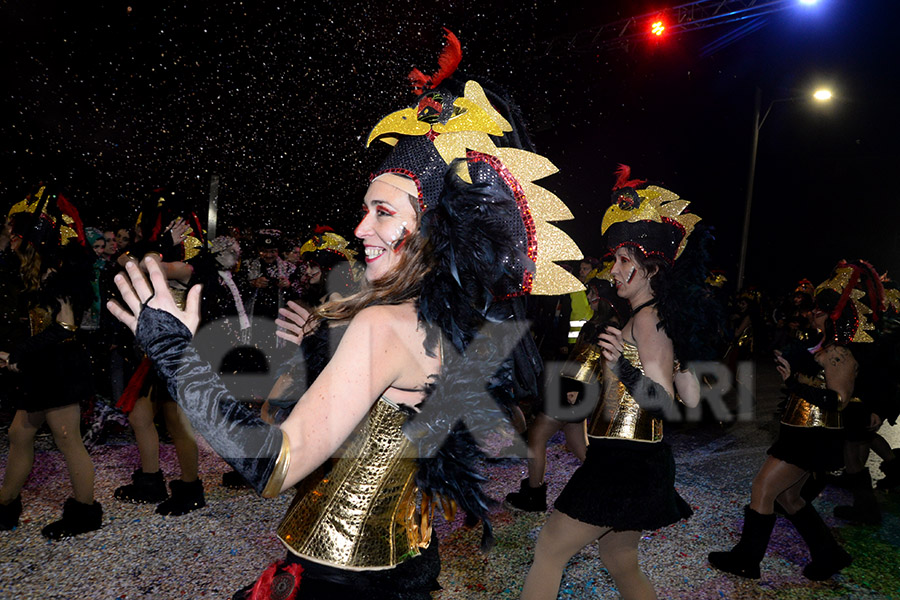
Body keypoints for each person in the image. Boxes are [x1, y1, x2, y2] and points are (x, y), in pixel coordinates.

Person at [108, 30, 583, 599]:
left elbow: (276, 467)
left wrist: (171, 349)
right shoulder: (449, 320)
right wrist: (321, 346)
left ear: (435, 230)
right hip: (403, 560)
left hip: (344, 578)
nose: (360, 229)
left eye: (383, 212)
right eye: (365, 209)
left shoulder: (385, 325)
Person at [521, 166, 718, 600]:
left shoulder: (648, 319)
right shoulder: (654, 318)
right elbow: (692, 396)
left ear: (650, 269)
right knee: (618, 559)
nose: (613, 269)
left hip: (624, 464)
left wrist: (620, 366)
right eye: (614, 259)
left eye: (623, 260)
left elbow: (667, 403)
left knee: (549, 552)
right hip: (635, 460)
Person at [707, 260, 883, 581]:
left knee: (763, 489)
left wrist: (794, 383)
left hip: (810, 439)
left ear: (834, 316)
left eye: (819, 309)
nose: (811, 312)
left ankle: (747, 559)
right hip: (798, 432)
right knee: (789, 497)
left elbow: (838, 400)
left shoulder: (838, 354)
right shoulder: (822, 347)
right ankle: (829, 554)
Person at [0, 185, 102, 538]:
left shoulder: (54, 273)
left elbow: (65, 327)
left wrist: (19, 353)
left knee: (67, 438)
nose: (10, 235)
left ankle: (85, 513)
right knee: (19, 433)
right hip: (42, 368)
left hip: (60, 367)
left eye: (15, 230)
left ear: (32, 237)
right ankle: (6, 505)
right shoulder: (32, 271)